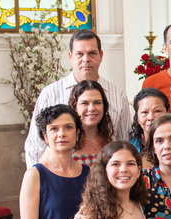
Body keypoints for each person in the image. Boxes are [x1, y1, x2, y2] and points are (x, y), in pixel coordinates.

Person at [25, 30, 132, 167]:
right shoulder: (50, 94)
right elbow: (35, 147)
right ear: (70, 57)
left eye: (92, 53)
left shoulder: (118, 94)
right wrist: (39, 182)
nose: (86, 59)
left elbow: (125, 142)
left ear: (101, 55)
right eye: (79, 54)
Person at [68, 81, 115, 167]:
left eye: (97, 102)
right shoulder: (65, 141)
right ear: (75, 107)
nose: (91, 108)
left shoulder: (110, 141)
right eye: (84, 103)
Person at [129, 88, 170, 155]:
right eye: (144, 112)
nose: (151, 117)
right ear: (137, 118)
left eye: (157, 111)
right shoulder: (129, 148)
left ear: (168, 113)